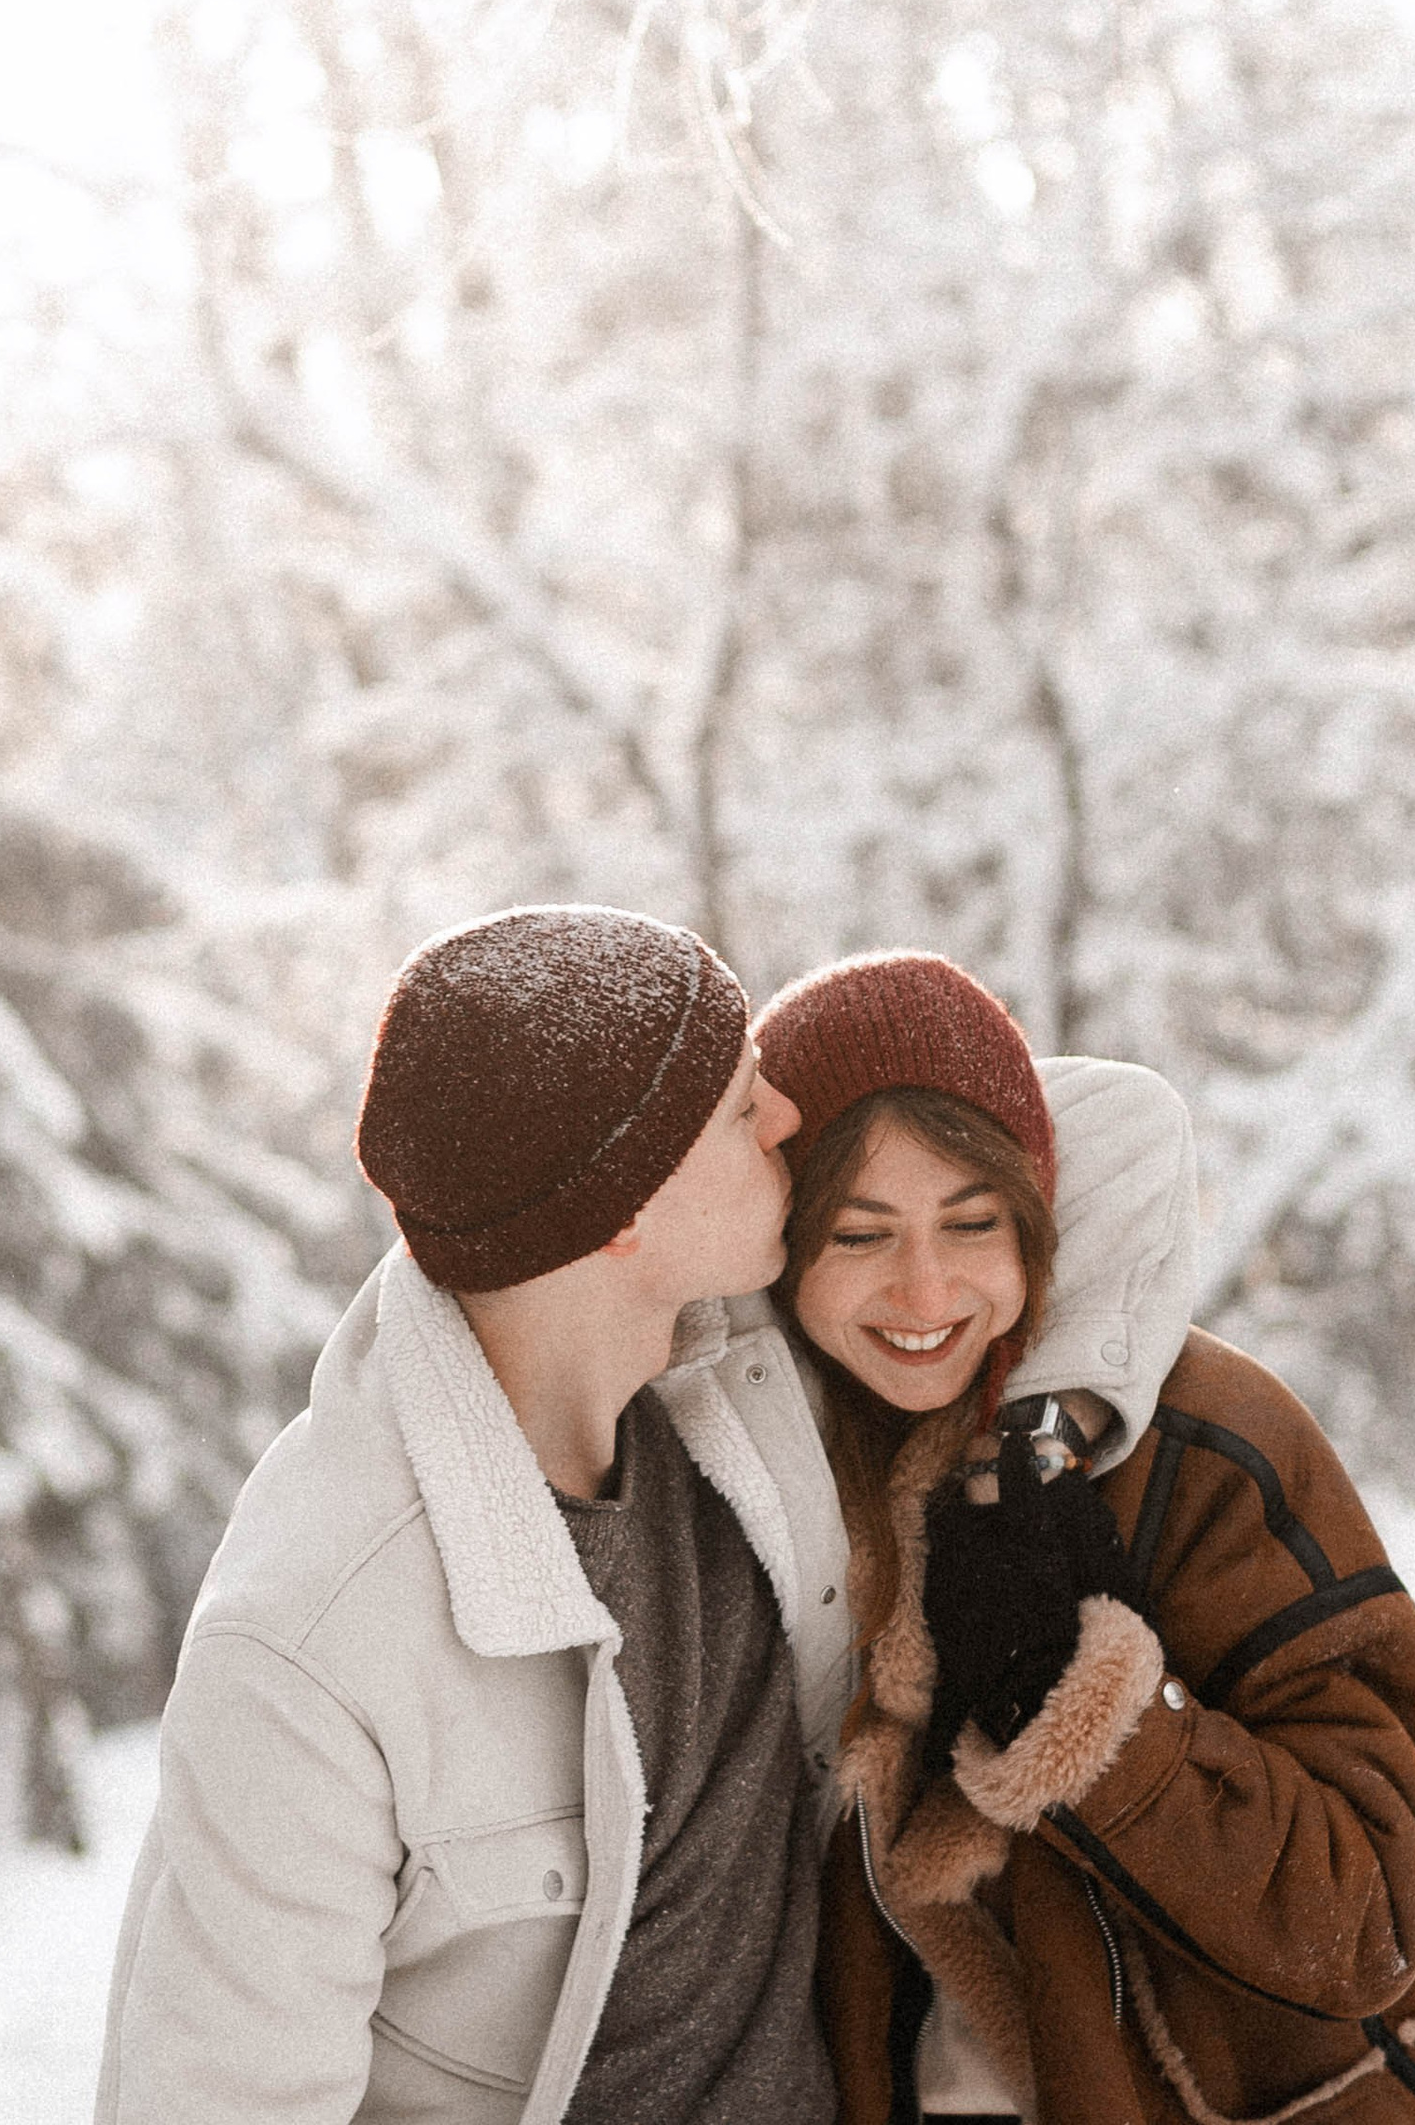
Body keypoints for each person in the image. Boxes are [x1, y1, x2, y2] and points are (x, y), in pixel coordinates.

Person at [97, 901, 857, 2125]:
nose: (787, 1119)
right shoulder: (311, 1635)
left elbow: (1081, 1152)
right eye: (739, 1108)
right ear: (619, 1206)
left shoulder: (747, 1382)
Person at [757, 949, 1415, 2125]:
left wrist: (1086, 1709)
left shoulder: (1198, 1443)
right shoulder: (766, 1478)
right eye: (859, 1235)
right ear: (781, 1246)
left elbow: (1370, 1917)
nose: (925, 1289)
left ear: (1034, 1219)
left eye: (972, 1222)